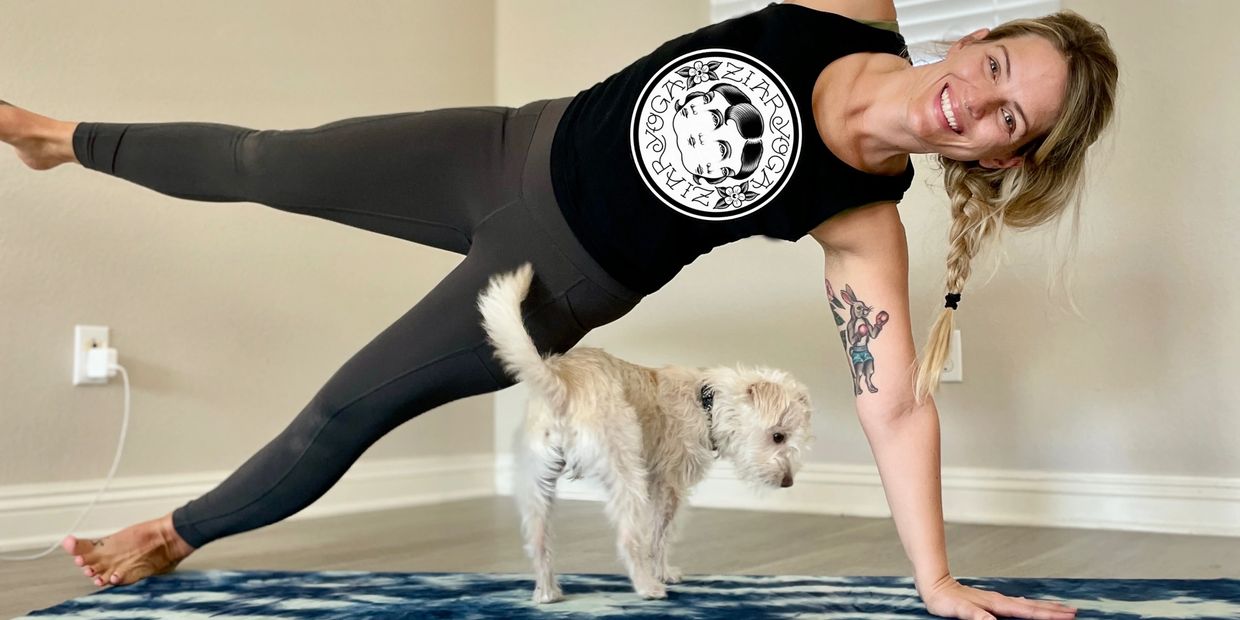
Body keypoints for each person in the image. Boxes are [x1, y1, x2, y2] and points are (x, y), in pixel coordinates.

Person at [0, 0, 1117, 618]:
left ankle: (170, 533)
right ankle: (56, 138)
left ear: (1000, 157)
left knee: (339, 413)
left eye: (1008, 121)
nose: (976, 102)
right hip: (501, 143)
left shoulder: (864, 218)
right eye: (999, 66)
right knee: (266, 157)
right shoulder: (848, 11)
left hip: (547, 283)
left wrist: (934, 580)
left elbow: (895, 410)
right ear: (978, 36)